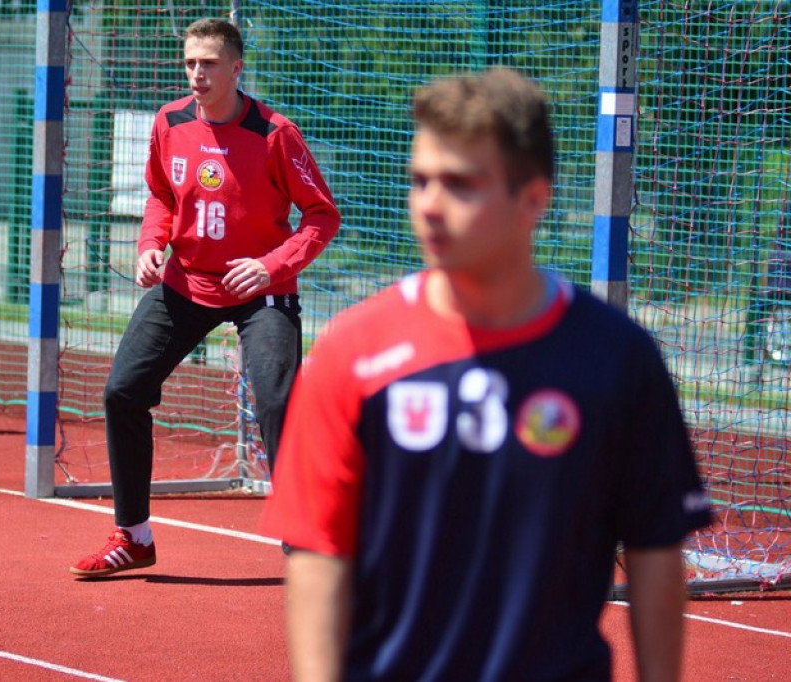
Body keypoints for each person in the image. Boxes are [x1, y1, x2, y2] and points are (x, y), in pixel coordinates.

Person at [261, 68, 713, 681]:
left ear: (533, 198)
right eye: (420, 180)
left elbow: (656, 551)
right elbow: (319, 553)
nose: (430, 205)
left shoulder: (618, 358)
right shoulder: (351, 352)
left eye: (461, 184)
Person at [70, 18, 340, 578]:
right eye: (191, 62)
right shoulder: (169, 122)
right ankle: (134, 536)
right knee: (123, 391)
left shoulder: (275, 133)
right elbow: (161, 195)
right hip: (186, 282)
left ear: (236, 69)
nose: (197, 73)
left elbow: (321, 216)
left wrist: (270, 266)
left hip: (259, 291)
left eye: (209, 63)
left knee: (276, 400)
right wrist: (151, 244)